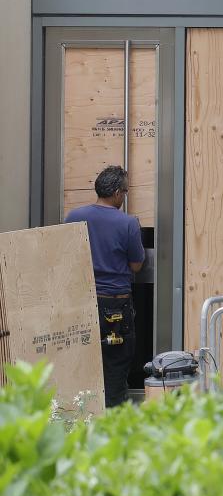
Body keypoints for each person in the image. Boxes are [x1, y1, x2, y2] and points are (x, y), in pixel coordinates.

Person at [65, 165, 145, 407]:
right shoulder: (128, 224)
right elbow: (136, 266)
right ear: (118, 194)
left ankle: (81, 420)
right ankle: (111, 423)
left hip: (82, 302)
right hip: (115, 306)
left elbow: (65, 257)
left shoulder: (73, 217)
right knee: (115, 366)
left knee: (81, 362)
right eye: (126, 192)